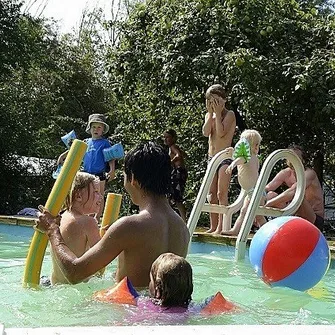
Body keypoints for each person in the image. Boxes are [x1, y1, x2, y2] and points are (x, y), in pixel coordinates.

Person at [35, 142, 190, 288]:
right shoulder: (183, 229)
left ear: (133, 179)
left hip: (126, 313)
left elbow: (74, 273)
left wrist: (52, 229)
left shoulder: (130, 226)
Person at [57, 114, 116, 220]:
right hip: (86, 173)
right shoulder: (86, 142)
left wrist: (112, 170)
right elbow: (73, 149)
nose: (96, 129)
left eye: (99, 127)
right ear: (90, 128)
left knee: (99, 195)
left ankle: (97, 217)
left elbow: (111, 157)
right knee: (82, 194)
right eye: (94, 127)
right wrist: (62, 156)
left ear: (103, 130)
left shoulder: (105, 143)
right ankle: (82, 214)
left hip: (99, 173)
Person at [49, 172, 102, 284]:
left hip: (56, 285)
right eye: (96, 192)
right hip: (75, 286)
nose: (100, 197)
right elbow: (100, 267)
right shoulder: (88, 222)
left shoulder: (61, 217)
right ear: (78, 196)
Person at [202, 84, 236, 234]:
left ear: (223, 100)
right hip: (212, 158)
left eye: (216, 101)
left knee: (221, 193)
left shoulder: (230, 115)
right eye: (210, 101)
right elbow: (205, 132)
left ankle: (222, 226)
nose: (213, 104)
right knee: (211, 194)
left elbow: (221, 133)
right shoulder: (209, 115)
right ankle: (213, 225)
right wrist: (211, 114)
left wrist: (218, 113)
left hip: (224, 158)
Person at [265, 145, 324, 230]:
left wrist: (268, 204)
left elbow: (293, 191)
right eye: (290, 156)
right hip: (294, 215)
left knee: (298, 194)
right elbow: (267, 188)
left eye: (296, 157)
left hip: (313, 219)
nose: (292, 160)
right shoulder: (286, 173)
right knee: (270, 195)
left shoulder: (309, 173)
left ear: (302, 160)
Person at [221, 129, 266, 236]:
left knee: (256, 214)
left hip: (256, 193)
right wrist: (232, 153)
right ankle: (236, 230)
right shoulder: (253, 158)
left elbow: (240, 160)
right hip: (253, 191)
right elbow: (239, 158)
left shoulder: (247, 158)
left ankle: (269, 232)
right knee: (245, 211)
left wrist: (233, 164)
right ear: (255, 146)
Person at [163, 129, 188, 222]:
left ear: (173, 138)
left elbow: (179, 155)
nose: (165, 139)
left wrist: (170, 162)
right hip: (178, 172)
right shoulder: (173, 147)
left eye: (167, 137)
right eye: (164, 137)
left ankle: (184, 220)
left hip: (179, 172)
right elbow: (184, 155)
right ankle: (169, 218)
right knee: (171, 195)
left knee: (176, 196)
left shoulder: (173, 147)